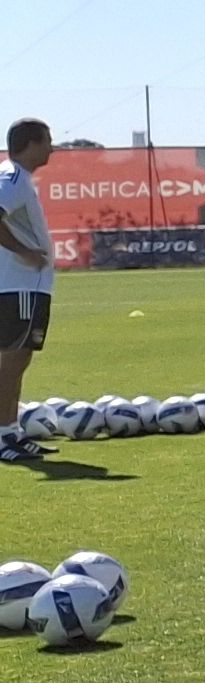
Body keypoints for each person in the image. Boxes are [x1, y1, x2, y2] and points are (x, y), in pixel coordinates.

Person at [0, 119, 54, 465]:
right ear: (31, 143)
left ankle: (10, 432)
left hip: (26, 286)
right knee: (11, 361)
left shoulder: (17, 177)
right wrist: (25, 251)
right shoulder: (13, 177)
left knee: (18, 360)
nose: (52, 148)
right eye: (47, 141)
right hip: (18, 285)